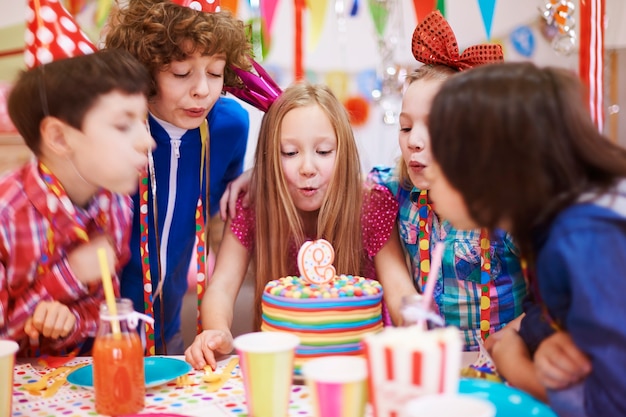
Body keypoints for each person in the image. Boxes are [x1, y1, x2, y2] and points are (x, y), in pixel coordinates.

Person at [427, 61, 626, 417]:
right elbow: (549, 309)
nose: (427, 168)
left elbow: (612, 403)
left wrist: (517, 366)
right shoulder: (555, 225)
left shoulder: (584, 240)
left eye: (441, 155)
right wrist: (544, 337)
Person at [185, 82, 414, 370]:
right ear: (270, 158)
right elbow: (222, 286)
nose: (308, 167)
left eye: (324, 151)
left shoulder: (370, 206)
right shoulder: (253, 207)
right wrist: (218, 330)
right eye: (290, 153)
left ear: (342, 152)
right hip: (280, 371)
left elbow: (399, 289)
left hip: (357, 370)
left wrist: (413, 320)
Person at [366, 11, 527, 351]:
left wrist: (511, 338)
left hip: (500, 370)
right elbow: (342, 181)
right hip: (433, 368)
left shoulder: (506, 207)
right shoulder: (396, 192)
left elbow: (556, 300)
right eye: (406, 127)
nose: (413, 141)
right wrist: (254, 176)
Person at [104, 0, 253, 354]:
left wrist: (260, 173)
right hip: (97, 334)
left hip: (169, 335)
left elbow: (217, 221)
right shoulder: (116, 128)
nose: (203, 90)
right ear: (144, 69)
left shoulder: (230, 126)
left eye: (215, 72)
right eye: (181, 73)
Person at [2, 49, 154, 356]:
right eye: (124, 125)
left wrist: (70, 321)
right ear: (59, 138)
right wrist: (69, 276)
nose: (147, 142)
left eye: (144, 121)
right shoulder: (6, 215)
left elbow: (100, 313)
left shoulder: (116, 204)